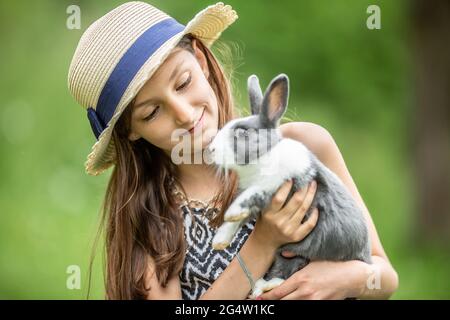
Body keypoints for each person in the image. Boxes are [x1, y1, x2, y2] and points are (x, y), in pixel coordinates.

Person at [67, 2, 398, 300]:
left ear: (201, 61)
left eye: (182, 82)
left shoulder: (304, 146)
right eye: (152, 113)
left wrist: (345, 278)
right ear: (131, 132)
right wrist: (262, 242)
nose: (182, 113)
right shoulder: (154, 222)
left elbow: (384, 275)